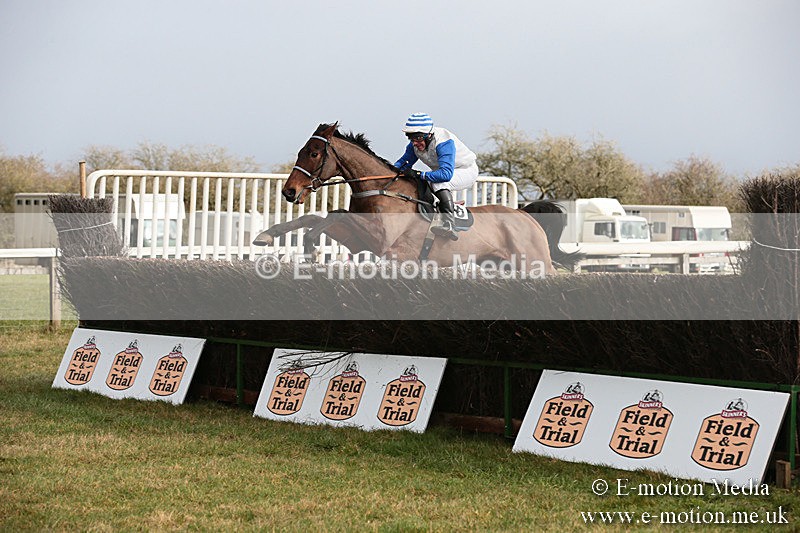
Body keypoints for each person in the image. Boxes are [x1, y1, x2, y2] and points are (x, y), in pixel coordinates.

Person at [394, 112, 479, 240]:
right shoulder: (414, 145)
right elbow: (402, 163)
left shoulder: (444, 142)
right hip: (444, 172)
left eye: (418, 138)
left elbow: (445, 175)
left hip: (465, 170)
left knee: (438, 182)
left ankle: (449, 223)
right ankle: (442, 206)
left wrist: (418, 173)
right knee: (421, 180)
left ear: (429, 135)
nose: (415, 143)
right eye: (411, 138)